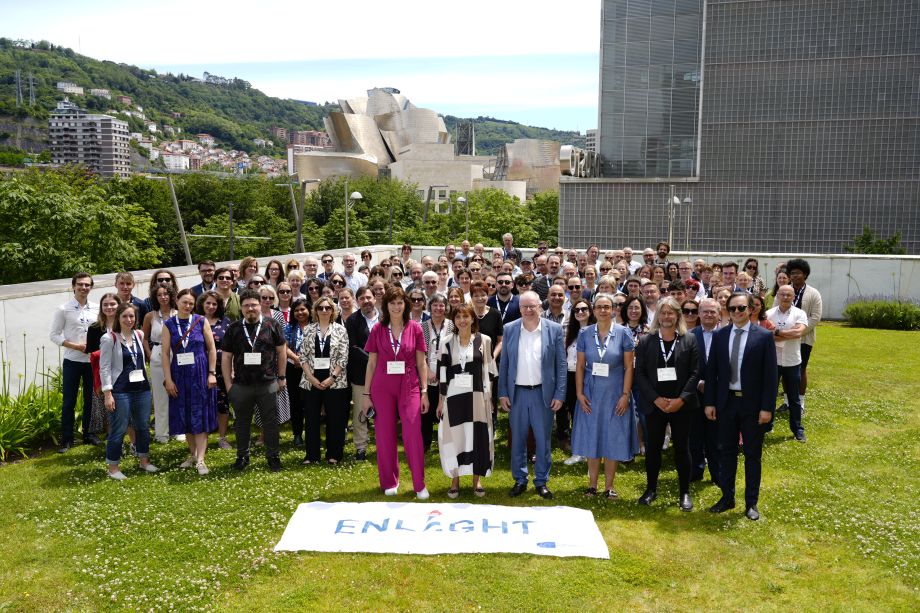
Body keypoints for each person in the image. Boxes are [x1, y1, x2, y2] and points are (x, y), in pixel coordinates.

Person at [704, 292, 779, 521]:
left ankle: (751, 503)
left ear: (750, 309)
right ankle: (727, 497)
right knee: (726, 452)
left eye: (742, 308)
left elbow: (770, 376)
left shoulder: (764, 337)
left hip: (753, 405)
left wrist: (767, 408)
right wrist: (709, 402)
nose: (737, 312)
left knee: (752, 455)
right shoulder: (719, 336)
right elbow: (712, 372)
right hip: (726, 403)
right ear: (727, 310)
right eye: (733, 308)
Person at [362, 286, 430, 499]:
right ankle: (390, 480)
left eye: (400, 302)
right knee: (384, 434)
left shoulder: (415, 328)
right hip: (382, 386)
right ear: (386, 306)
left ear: (406, 305)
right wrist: (366, 396)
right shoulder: (377, 330)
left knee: (412, 431)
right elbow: (371, 363)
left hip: (409, 385)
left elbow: (422, 362)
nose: (396, 306)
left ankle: (419, 483)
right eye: (392, 303)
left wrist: (425, 391)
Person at [634, 297, 701, 510]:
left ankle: (684, 492)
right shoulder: (646, 341)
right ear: (657, 316)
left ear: (677, 316)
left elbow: (695, 372)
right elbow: (640, 373)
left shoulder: (689, 340)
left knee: (682, 448)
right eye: (663, 313)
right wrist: (656, 399)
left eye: (671, 313)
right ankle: (651, 489)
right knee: (653, 448)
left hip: (681, 405)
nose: (666, 317)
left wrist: (681, 399)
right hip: (655, 405)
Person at [499, 291, 566, 500]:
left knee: (543, 440)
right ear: (519, 308)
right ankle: (520, 479)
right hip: (517, 393)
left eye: (532, 306)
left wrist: (560, 393)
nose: (528, 310)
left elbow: (561, 365)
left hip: (542, 394)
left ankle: (541, 481)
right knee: (517, 440)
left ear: (540, 307)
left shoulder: (553, 330)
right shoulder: (510, 329)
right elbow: (505, 363)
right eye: (524, 306)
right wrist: (502, 392)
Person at [573, 293, 637, 499]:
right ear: (593, 310)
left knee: (612, 438)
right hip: (591, 393)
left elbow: (629, 367)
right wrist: (579, 393)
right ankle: (592, 485)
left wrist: (625, 394)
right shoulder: (584, 334)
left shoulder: (624, 333)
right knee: (592, 437)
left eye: (607, 307)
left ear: (613, 310)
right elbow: (580, 366)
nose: (603, 310)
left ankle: (609, 486)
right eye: (599, 307)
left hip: (615, 393)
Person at [221, 290, 288, 472]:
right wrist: (229, 385)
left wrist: (281, 377)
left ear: (261, 305)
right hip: (241, 385)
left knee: (271, 423)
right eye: (246, 305)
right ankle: (242, 456)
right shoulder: (234, 329)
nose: (250, 308)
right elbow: (226, 358)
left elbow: (281, 352)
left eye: (253, 305)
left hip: (268, 383)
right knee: (242, 423)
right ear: (241, 308)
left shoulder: (272, 324)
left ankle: (273, 456)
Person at [436, 303, 497, 498]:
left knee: (478, 436)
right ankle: (455, 479)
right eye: (458, 317)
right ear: (453, 321)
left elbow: (490, 371)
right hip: (454, 398)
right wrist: (440, 401)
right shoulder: (446, 342)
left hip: (478, 396)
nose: (462, 321)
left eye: (466, 317)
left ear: (473, 319)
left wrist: (491, 398)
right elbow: (442, 374)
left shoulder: (484, 341)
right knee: (456, 437)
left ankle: (476, 479)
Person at [162, 289, 218, 475]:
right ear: (177, 301)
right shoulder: (169, 324)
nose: (187, 306)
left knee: (199, 413)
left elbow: (211, 349)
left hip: (200, 373)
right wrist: (168, 379)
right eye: (184, 302)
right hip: (179, 374)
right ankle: (193, 454)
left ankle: (201, 459)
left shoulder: (201, 321)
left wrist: (211, 373)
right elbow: (164, 353)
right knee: (184, 412)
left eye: (191, 303)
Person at [99, 303, 159, 479]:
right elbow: (104, 367)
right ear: (118, 317)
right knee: (119, 429)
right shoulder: (110, 338)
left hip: (141, 389)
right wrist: (107, 393)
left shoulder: (139, 335)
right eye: (125, 316)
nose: (129, 319)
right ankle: (113, 468)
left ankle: (144, 461)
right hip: (120, 391)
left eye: (132, 316)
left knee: (142, 426)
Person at [50, 272, 99, 452]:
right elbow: (54, 335)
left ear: (91, 287)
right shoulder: (63, 309)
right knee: (69, 401)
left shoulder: (96, 308)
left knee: (90, 399)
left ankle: (88, 434)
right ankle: (68, 439)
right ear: (73, 286)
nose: (83, 287)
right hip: (72, 360)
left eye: (87, 285)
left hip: (92, 361)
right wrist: (75, 346)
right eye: (80, 284)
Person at [299, 296, 350, 465]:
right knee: (312, 419)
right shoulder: (308, 329)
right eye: (320, 308)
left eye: (328, 308)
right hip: (311, 380)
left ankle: (334, 454)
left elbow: (344, 357)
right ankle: (312, 455)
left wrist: (332, 377)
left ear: (333, 311)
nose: (324, 311)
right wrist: (311, 377)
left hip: (335, 381)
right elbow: (303, 357)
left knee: (335, 419)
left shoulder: (340, 330)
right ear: (315, 310)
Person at [766, 285, 809, 442]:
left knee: (794, 398)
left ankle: (797, 429)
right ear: (777, 295)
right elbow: (765, 336)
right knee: (769, 395)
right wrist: (789, 334)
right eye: (782, 294)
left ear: (793, 296)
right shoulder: (768, 314)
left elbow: (799, 332)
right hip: (773, 361)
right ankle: (767, 425)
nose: (785, 297)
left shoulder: (800, 313)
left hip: (792, 361)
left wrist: (776, 332)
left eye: (788, 294)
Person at [344, 286, 379, 461]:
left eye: (368, 297)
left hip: (385, 376)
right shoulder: (352, 320)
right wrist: (375, 361)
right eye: (362, 298)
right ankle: (361, 447)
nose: (366, 301)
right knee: (360, 411)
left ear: (374, 298)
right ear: (357, 301)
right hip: (361, 375)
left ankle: (383, 444)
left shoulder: (386, 318)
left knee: (384, 411)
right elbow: (354, 347)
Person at [690, 298, 722, 483]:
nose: (709, 315)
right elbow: (683, 366)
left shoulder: (727, 335)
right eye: (705, 311)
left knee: (717, 436)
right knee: (695, 435)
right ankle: (696, 470)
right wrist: (697, 383)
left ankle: (717, 473)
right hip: (695, 394)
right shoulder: (689, 335)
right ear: (699, 314)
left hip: (719, 394)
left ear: (719, 314)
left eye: (713, 311)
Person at [195, 291, 232, 450]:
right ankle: (202, 438)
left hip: (221, 369)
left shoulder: (226, 322)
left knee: (222, 404)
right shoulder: (194, 322)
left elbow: (232, 348)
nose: (211, 306)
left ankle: (222, 437)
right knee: (201, 403)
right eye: (208, 303)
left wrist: (232, 369)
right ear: (202, 304)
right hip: (199, 369)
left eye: (214, 304)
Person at [786, 258, 822, 415]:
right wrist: (787, 333)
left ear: (805, 274)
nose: (794, 276)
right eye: (792, 273)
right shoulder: (784, 291)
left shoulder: (813, 293)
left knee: (800, 369)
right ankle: (787, 402)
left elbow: (815, 317)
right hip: (785, 338)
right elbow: (774, 311)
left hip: (804, 339)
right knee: (785, 369)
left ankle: (800, 403)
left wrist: (799, 332)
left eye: (798, 273)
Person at [85, 293, 121, 443]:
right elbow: (91, 351)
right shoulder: (94, 327)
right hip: (102, 369)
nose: (109, 307)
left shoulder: (125, 322)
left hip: (122, 368)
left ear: (119, 305)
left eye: (112, 304)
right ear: (101, 308)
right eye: (105, 305)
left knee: (121, 401)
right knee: (105, 402)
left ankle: (122, 430)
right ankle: (110, 433)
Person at [142, 283, 176, 444]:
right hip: (157, 352)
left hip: (176, 355)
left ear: (171, 296)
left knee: (178, 391)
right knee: (160, 394)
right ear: (155, 298)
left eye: (166, 294)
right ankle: (162, 432)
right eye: (159, 295)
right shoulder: (150, 316)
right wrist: (149, 354)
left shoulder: (178, 313)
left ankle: (178, 429)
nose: (163, 297)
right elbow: (144, 337)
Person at [562, 298, 595, 465]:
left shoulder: (596, 331)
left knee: (588, 413)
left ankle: (591, 450)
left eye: (584, 309)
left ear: (590, 311)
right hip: (570, 375)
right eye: (577, 310)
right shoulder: (570, 333)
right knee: (575, 414)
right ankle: (578, 451)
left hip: (589, 377)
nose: (580, 312)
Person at [421, 294, 453, 453]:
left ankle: (446, 444)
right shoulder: (423, 326)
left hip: (448, 373)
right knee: (426, 411)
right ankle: (425, 443)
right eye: (435, 305)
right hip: (428, 372)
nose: (438, 308)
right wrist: (428, 371)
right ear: (430, 307)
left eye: (442, 305)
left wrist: (443, 373)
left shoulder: (453, 326)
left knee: (446, 410)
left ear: (446, 308)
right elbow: (419, 352)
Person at [285, 298, 311, 448]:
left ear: (309, 310)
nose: (300, 313)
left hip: (312, 371)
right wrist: (296, 358)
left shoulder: (316, 326)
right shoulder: (290, 328)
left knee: (310, 402)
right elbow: (284, 347)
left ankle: (311, 433)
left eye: (303, 309)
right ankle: (297, 435)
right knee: (296, 403)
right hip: (293, 369)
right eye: (296, 310)